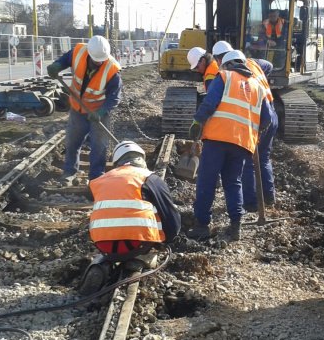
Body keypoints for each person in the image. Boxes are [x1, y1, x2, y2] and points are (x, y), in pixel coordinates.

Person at [187, 49, 273, 241]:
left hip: (217, 138)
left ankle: (202, 224)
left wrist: (197, 122)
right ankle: (236, 225)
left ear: (227, 64)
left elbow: (210, 102)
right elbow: (266, 119)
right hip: (242, 143)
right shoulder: (258, 86)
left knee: (207, 180)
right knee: (233, 182)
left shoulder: (224, 77)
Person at [80, 140, 181, 295]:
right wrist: (168, 239)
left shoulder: (99, 181)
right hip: (138, 244)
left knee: (112, 240)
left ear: (116, 162)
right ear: (141, 159)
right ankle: (140, 259)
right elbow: (170, 216)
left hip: (103, 244)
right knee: (146, 238)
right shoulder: (149, 178)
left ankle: (100, 263)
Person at [47, 35, 122, 186]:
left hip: (99, 112)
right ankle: (69, 173)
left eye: (102, 60)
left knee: (99, 146)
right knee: (72, 143)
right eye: (96, 60)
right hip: (77, 108)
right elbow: (64, 60)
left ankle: (96, 178)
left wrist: (101, 112)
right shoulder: (79, 52)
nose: (99, 62)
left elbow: (114, 98)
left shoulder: (112, 70)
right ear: (89, 53)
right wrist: (56, 66)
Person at [211, 41, 277, 212]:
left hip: (258, 116)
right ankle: (269, 197)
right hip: (270, 113)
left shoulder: (234, 73)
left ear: (221, 59)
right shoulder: (254, 63)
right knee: (263, 158)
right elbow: (268, 65)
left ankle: (252, 203)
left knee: (248, 161)